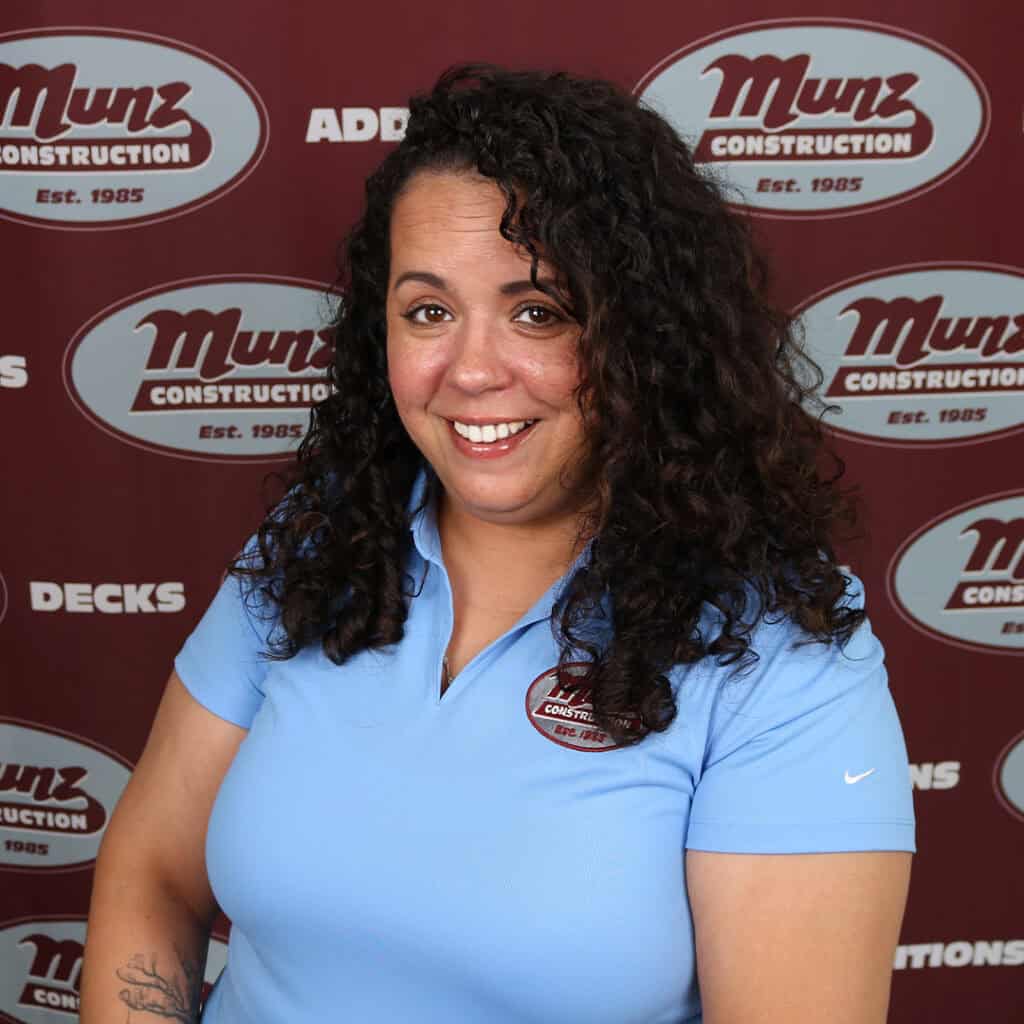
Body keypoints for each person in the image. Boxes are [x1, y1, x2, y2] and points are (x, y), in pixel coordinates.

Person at [81, 64, 915, 1023]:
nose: (472, 370)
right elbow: (152, 877)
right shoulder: (315, 549)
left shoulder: (783, 656)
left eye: (537, 311)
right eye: (428, 311)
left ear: (645, 338)